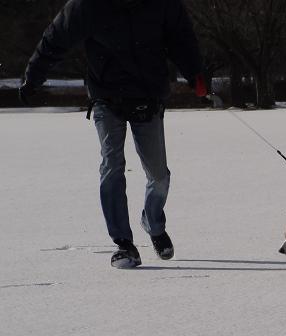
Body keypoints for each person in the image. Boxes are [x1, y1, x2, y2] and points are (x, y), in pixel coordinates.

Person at [19, 0, 208, 268]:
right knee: (112, 166)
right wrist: (33, 78)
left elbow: (182, 39)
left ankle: (153, 222)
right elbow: (55, 39)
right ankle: (123, 244)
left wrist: (196, 74)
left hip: (148, 96)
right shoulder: (87, 6)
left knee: (158, 174)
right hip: (106, 98)